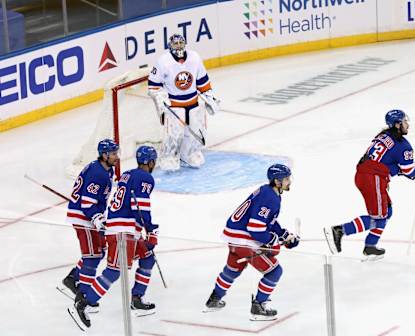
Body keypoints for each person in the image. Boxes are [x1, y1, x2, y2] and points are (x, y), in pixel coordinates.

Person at [324, 109, 415, 260]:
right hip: (372, 179)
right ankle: (340, 231)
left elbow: (388, 163)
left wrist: (397, 170)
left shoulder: (384, 135)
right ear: (397, 125)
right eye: (404, 121)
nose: (407, 124)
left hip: (366, 176)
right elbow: (410, 172)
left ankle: (370, 246)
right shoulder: (403, 146)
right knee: (379, 217)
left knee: (386, 212)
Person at [68, 146, 159, 329]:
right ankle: (84, 302)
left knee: (148, 258)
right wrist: (151, 230)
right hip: (122, 232)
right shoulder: (146, 178)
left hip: (122, 228)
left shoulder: (127, 174)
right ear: (150, 162)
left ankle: (137, 298)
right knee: (114, 271)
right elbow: (141, 208)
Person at [204, 164, 300, 321]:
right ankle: (258, 306)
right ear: (277, 181)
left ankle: (214, 299)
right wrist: (273, 241)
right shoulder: (271, 198)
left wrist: (283, 234)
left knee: (234, 268)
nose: (289, 181)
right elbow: (255, 228)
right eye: (286, 179)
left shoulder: (266, 190)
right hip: (244, 240)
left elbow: (268, 221)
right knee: (274, 271)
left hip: (234, 237)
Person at [60, 139, 119, 307]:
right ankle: (83, 295)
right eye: (114, 153)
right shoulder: (97, 173)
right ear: (105, 155)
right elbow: (87, 203)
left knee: (99, 252)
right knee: (92, 256)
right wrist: (97, 218)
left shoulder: (106, 170)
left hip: (90, 216)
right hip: (83, 217)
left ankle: (73, 278)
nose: (117, 156)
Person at [147, 33, 219, 171]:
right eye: (175, 44)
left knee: (196, 132)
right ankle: (169, 157)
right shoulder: (163, 61)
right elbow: (153, 85)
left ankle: (189, 155)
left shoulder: (194, 57)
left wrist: (209, 96)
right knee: (174, 134)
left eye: (181, 43)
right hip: (174, 105)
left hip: (193, 103)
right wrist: (161, 99)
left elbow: (202, 80)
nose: (178, 46)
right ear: (170, 46)